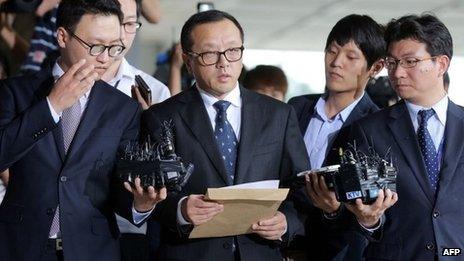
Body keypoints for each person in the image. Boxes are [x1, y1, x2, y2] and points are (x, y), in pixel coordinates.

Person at [0, 1, 164, 260]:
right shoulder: (15, 92)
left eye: (114, 47)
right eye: (96, 46)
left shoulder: (123, 108)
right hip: (21, 246)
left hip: (92, 250)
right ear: (63, 37)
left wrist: (140, 204)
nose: (105, 58)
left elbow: (117, 188)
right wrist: (51, 106)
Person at [142, 10, 309, 261]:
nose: (224, 62)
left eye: (233, 50)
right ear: (188, 61)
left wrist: (286, 221)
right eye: (210, 54)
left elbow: (301, 188)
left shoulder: (279, 115)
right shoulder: (161, 117)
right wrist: (180, 209)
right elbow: (147, 197)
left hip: (260, 251)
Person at [346, 14, 462, 260]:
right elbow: (366, 214)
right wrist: (369, 220)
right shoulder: (369, 131)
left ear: (441, 64)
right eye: (392, 62)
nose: (397, 72)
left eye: (410, 61)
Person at [287, 14, 385, 261]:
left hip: (336, 251)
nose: (336, 62)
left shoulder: (378, 127)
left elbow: (371, 211)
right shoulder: (295, 108)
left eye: (351, 57)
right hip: (281, 244)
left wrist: (334, 211)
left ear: (376, 67)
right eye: (331, 51)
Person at [102, 0, 169, 110]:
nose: (121, 36)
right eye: (112, 23)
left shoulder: (157, 91)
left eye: (129, 23)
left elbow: (155, 16)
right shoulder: (66, 80)